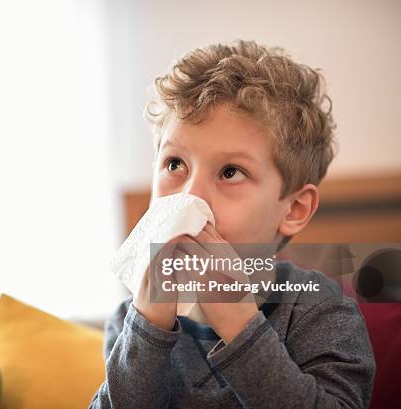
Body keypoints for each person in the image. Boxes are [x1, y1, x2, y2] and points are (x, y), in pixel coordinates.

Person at [89, 40, 375, 409]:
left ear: (294, 209)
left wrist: (240, 325)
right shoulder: (131, 322)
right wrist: (147, 327)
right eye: (175, 164)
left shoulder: (320, 312)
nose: (191, 197)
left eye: (230, 172)